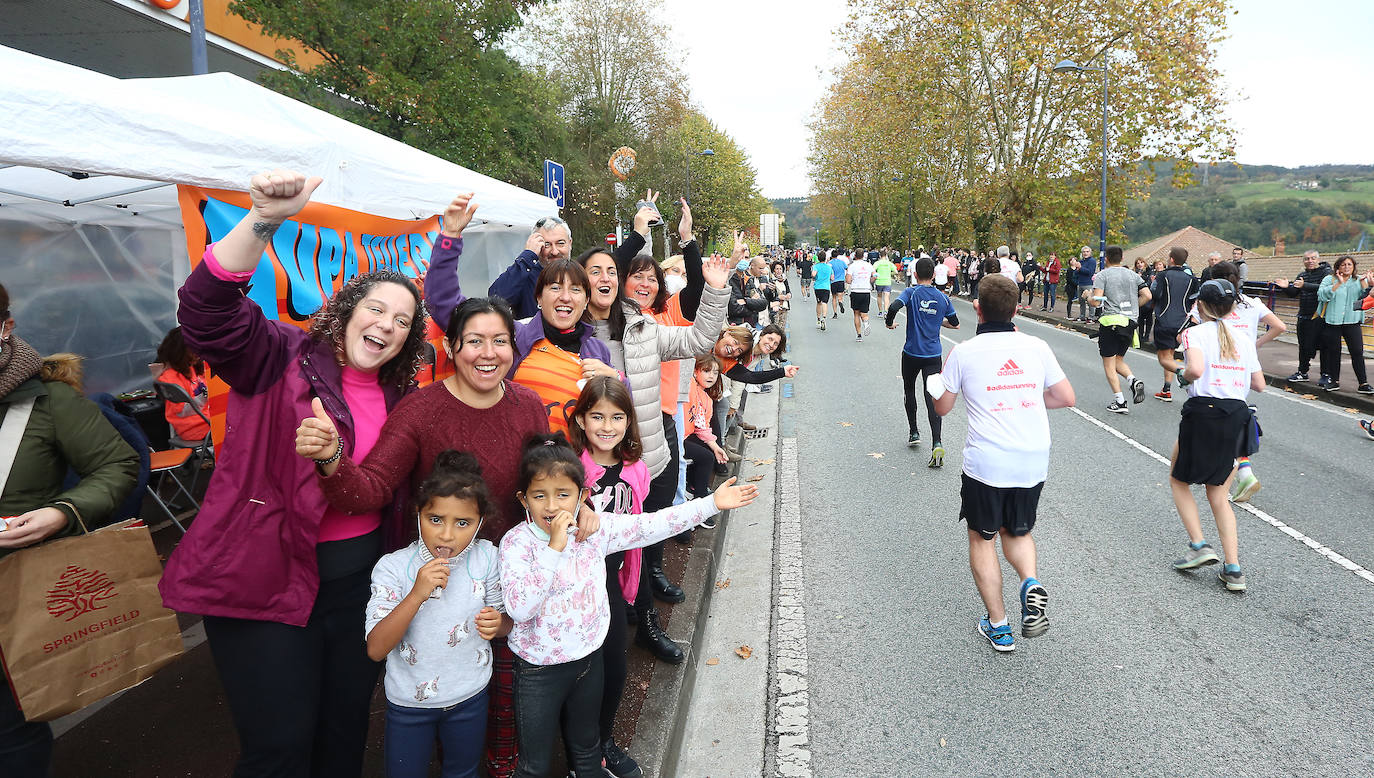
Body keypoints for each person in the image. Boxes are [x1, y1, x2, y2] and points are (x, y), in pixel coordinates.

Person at [159, 170, 432, 778]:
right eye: (376, 308)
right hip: (265, 578)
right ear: (345, 311)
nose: (386, 324)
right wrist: (262, 221)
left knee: (342, 733)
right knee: (280, 746)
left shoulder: (401, 398)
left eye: (402, 320)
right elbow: (204, 312)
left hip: (358, 585)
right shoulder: (281, 354)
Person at [499, 433, 757, 778]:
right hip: (538, 671)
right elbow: (520, 609)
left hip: (589, 661)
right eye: (539, 496)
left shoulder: (596, 531)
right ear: (523, 499)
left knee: (587, 749)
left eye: (563, 494)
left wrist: (710, 504)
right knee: (535, 765)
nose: (551, 506)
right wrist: (554, 548)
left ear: (583, 496)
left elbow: (649, 525)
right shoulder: (516, 543)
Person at [0, 283, 139, 777]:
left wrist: (62, 512)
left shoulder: (50, 401)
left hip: (14, 593)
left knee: (10, 729)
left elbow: (119, 464)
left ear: (6, 327)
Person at [932, 275, 1075, 653]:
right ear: (1017, 309)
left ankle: (999, 625)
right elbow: (1066, 397)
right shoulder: (1038, 346)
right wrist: (1024, 398)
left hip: (988, 462)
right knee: (1018, 531)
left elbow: (943, 408)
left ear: (977, 308)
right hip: (1032, 458)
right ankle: (1029, 581)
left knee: (983, 537)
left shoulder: (963, 352)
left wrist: (935, 385)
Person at [364, 450, 511, 778]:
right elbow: (375, 648)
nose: (447, 535)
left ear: (480, 523)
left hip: (470, 696)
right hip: (408, 705)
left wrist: (499, 623)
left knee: (463, 772)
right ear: (418, 513)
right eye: (436, 519)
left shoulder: (487, 558)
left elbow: (504, 625)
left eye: (462, 523)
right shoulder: (393, 567)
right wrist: (417, 593)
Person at [566, 377, 651, 776]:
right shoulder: (567, 466)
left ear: (628, 421)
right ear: (581, 419)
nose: (606, 426)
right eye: (596, 416)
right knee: (581, 670)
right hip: (572, 585)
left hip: (610, 581)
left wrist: (630, 583)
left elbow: (640, 528)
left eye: (617, 417)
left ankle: (604, 740)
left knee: (615, 665)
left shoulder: (636, 469)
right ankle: (578, 749)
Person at [1168, 279, 1265, 593]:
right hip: (1237, 414)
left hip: (1204, 411)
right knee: (1219, 493)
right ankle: (1233, 568)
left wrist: (1182, 377)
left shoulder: (1194, 332)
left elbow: (1194, 370)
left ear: (1201, 305)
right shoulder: (1243, 337)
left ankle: (1199, 545)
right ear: (1233, 307)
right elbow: (1260, 384)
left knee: (1178, 478)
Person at [1188, 260, 1285, 502]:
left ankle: (1234, 476)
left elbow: (1192, 330)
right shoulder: (1252, 303)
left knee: (1213, 432)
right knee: (1233, 419)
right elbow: (1280, 326)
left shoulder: (1208, 304)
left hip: (1213, 371)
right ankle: (1243, 472)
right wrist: (1254, 345)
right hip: (1243, 367)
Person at [885, 258, 959, 466]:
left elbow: (893, 307)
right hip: (933, 355)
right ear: (934, 275)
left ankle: (914, 432)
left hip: (911, 353)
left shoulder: (911, 292)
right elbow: (955, 323)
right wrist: (939, 322)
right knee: (933, 397)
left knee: (909, 391)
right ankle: (937, 442)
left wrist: (889, 323)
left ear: (915, 275)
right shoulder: (943, 298)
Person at [1084, 245, 1150, 413]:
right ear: (1122, 258)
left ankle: (1120, 401)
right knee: (1118, 359)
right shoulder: (1134, 275)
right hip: (1130, 322)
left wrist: (1087, 297)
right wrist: (1135, 308)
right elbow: (1148, 295)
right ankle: (1133, 380)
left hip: (1111, 321)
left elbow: (1097, 301)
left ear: (1106, 258)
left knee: (1108, 363)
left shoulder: (1102, 275)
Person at [488, 216, 574, 320]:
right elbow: (495, 300)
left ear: (570, 243)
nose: (554, 251)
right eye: (546, 245)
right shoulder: (524, 275)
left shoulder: (581, 274)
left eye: (560, 243)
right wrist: (528, 255)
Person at [1315, 256, 1373, 394]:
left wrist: (1370, 285)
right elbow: (1321, 295)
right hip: (1333, 321)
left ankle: (1363, 383)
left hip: (1352, 321)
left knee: (1357, 352)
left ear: (1353, 267)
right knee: (1334, 352)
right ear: (1338, 267)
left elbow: (1364, 298)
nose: (1346, 267)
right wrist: (1338, 284)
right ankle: (1334, 381)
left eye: (1349, 264)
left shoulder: (1359, 280)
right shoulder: (1329, 279)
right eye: (1343, 264)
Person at [1149, 246, 1200, 402]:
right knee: (1170, 356)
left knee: (1164, 358)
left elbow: (1155, 294)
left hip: (1164, 319)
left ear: (1171, 259)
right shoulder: (1192, 279)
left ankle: (1186, 373)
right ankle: (1166, 389)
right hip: (1182, 322)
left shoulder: (1162, 275)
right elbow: (1193, 300)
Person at [1273, 250, 1331, 382]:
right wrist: (1286, 287)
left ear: (1318, 259)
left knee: (1323, 346)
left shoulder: (1326, 273)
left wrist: (1305, 285)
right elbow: (1294, 293)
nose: (1309, 261)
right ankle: (1302, 372)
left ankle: (1326, 374)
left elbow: (1324, 289)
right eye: (1306, 259)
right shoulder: (1302, 274)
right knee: (1303, 346)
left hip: (1320, 316)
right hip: (1303, 315)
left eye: (1312, 258)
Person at [154, 325, 211, 444]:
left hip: (205, 422)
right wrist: (206, 396)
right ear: (180, 351)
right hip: (195, 428)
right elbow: (181, 411)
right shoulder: (169, 377)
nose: (198, 353)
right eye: (194, 349)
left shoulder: (194, 369)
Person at [683, 353, 728, 499]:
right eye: (706, 371)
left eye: (715, 373)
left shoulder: (707, 399)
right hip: (675, 436)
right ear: (695, 372)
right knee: (706, 457)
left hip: (686, 435)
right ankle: (700, 497)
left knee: (708, 448)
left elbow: (703, 428)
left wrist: (716, 447)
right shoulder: (688, 385)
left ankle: (694, 485)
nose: (711, 376)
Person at [847, 251, 876, 341]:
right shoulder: (869, 265)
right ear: (863, 256)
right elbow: (875, 276)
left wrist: (853, 281)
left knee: (856, 313)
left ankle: (859, 335)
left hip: (856, 290)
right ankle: (866, 323)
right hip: (866, 290)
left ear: (855, 256)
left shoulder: (852, 266)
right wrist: (870, 280)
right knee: (864, 312)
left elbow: (848, 280)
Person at [1072, 245, 1096, 321]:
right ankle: (1082, 316)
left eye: (1087, 252)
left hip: (1088, 283)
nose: (1085, 253)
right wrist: (1077, 269)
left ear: (1090, 253)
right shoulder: (1081, 261)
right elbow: (1075, 273)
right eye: (1084, 252)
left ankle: (1091, 317)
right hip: (1080, 283)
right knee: (1081, 301)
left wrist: (1080, 268)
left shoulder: (1092, 261)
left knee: (1090, 301)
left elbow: (1090, 272)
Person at [1136, 258, 1157, 342]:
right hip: (1139, 296)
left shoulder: (1149, 272)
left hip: (1148, 296)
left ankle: (1147, 335)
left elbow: (1149, 283)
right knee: (1140, 317)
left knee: (1148, 317)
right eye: (1138, 263)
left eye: (1141, 262)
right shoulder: (1135, 273)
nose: (1140, 264)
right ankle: (1140, 335)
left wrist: (1142, 277)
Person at [811, 255, 833, 330]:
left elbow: (813, 274)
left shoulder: (816, 266)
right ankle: (824, 318)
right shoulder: (829, 267)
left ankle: (818, 319)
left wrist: (815, 277)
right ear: (825, 258)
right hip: (826, 287)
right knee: (825, 303)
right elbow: (832, 278)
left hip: (818, 287)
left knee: (819, 303)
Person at [829, 250, 848, 317]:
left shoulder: (830, 263)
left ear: (831, 255)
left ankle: (835, 313)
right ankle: (840, 302)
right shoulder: (842, 262)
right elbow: (847, 268)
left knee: (834, 297)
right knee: (840, 296)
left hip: (833, 281)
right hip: (841, 281)